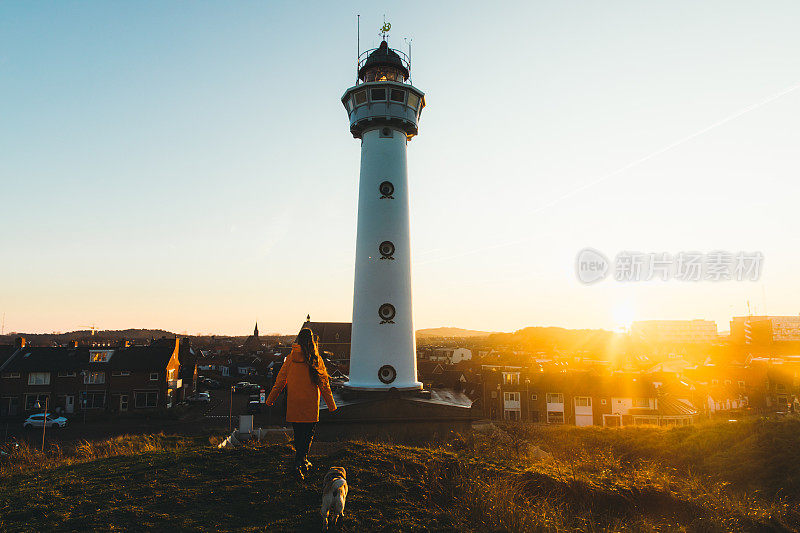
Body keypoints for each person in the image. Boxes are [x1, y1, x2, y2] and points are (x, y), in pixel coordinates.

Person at [266, 327, 337, 480]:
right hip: (310, 404)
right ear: (313, 341)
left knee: (298, 435)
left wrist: (270, 399)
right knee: (307, 435)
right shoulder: (316, 359)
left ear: (298, 339)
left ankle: (299, 462)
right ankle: (301, 461)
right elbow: (324, 384)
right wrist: (331, 405)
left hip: (294, 403)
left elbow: (280, 382)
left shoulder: (290, 358)